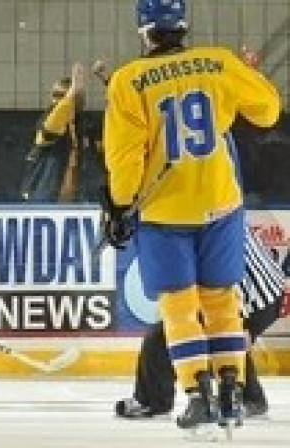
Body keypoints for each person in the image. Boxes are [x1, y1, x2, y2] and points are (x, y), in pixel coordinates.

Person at [101, 0, 281, 436]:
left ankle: (197, 394)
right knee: (221, 302)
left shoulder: (128, 80)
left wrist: (120, 206)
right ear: (183, 26)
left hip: (166, 209)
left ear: (144, 31)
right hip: (221, 202)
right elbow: (268, 111)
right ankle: (232, 392)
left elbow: (125, 162)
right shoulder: (218, 62)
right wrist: (247, 76)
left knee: (180, 306)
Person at [115, 228, 287, 419]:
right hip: (267, 292)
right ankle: (246, 398)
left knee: (167, 337)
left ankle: (152, 401)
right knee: (218, 335)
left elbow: (227, 272)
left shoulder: (184, 225)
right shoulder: (212, 211)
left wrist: (241, 320)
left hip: (252, 296)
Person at [20, 62, 85, 202]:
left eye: (61, 95)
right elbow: (51, 128)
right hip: (44, 200)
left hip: (73, 201)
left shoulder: (81, 128)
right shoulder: (48, 122)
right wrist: (71, 94)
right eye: (55, 95)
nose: (56, 100)